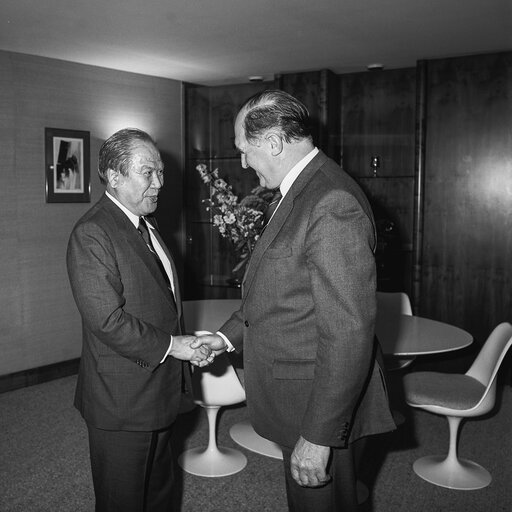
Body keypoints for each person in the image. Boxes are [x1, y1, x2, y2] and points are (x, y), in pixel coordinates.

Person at [193, 90, 396, 511]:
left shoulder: (329, 201)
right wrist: (226, 339)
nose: (244, 162)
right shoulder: (302, 189)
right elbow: (281, 293)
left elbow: (347, 332)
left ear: (272, 142)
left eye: (244, 150)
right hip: (300, 398)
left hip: (317, 408)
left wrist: (320, 434)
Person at [66, 128, 213, 512]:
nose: (159, 184)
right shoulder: (92, 232)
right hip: (122, 402)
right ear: (114, 176)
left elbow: (161, 303)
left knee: (159, 493)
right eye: (148, 173)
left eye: (160, 173)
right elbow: (107, 320)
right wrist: (174, 346)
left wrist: (181, 350)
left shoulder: (145, 224)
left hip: (158, 391)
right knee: (123, 501)